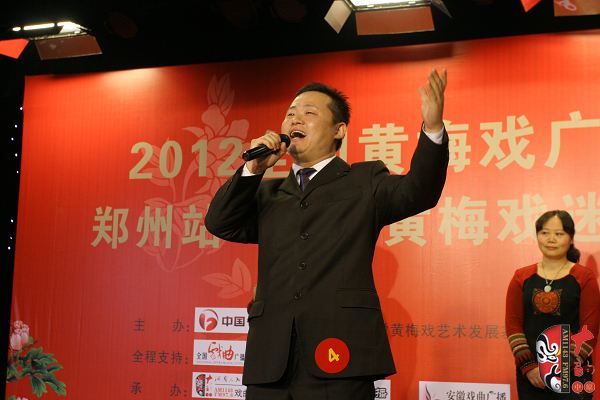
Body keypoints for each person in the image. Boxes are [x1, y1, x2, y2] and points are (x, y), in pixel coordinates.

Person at [205, 69, 449, 400]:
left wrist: (433, 129)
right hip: (270, 361)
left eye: (309, 113)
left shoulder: (364, 180)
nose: (295, 119)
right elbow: (220, 222)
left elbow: (419, 191)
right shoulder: (266, 193)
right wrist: (253, 169)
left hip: (339, 356)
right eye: (291, 113)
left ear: (339, 130)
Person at [505, 210, 600, 399]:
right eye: (545, 233)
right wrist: (529, 367)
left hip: (572, 373)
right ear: (537, 236)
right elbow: (513, 324)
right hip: (531, 374)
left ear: (571, 239)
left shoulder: (584, 278)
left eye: (559, 234)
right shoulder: (521, 277)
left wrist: (559, 368)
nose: (551, 239)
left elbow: (589, 330)